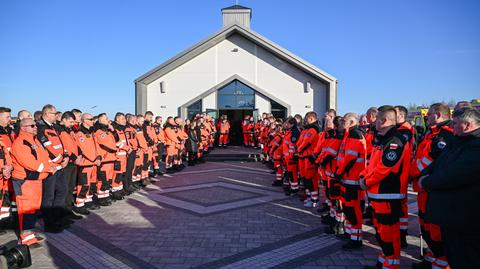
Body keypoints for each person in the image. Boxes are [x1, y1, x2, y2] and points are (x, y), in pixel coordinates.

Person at [419, 108, 480, 269]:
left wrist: (426, 182)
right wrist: (424, 175)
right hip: (451, 216)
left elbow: (454, 175)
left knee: (466, 259)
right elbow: (438, 163)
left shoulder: (476, 145)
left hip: (465, 216)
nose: (451, 126)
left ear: (466, 125)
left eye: (455, 123)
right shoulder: (458, 140)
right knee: (454, 254)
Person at [360, 105, 410, 269]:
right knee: (381, 234)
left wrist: (366, 182)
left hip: (388, 195)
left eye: (376, 119)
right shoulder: (383, 139)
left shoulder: (394, 141)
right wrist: (364, 176)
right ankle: (384, 262)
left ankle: (391, 265)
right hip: (378, 195)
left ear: (384, 120)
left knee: (388, 235)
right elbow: (373, 165)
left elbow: (384, 169)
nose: (373, 122)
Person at [410, 103, 454, 269]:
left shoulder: (447, 135)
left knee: (436, 233)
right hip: (423, 189)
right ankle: (431, 260)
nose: (426, 117)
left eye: (429, 115)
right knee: (426, 229)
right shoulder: (431, 133)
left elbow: (433, 163)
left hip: (433, 190)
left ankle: (441, 264)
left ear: (439, 115)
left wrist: (414, 173)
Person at [10, 118, 56, 245]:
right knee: (26, 210)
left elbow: (43, 157)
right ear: (23, 128)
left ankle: (29, 233)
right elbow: (30, 163)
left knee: (33, 208)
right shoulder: (21, 142)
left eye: (35, 125)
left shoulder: (34, 140)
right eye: (32, 125)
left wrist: (50, 165)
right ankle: (25, 238)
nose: (35, 127)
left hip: (35, 180)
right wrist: (47, 168)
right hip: (25, 181)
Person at [335, 113, 366, 249]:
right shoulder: (350, 134)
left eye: (344, 120)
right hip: (348, 178)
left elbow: (350, 158)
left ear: (352, 121)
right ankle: (349, 233)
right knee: (348, 209)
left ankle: (356, 239)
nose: (342, 122)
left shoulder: (355, 135)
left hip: (352, 179)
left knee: (354, 211)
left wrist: (339, 172)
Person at [37, 104, 69, 233]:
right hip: (51, 167)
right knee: (48, 196)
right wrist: (59, 160)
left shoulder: (54, 128)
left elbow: (61, 144)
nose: (56, 116)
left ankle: (57, 218)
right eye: (54, 113)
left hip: (60, 166)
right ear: (46, 114)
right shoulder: (40, 128)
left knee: (63, 190)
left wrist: (66, 156)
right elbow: (46, 147)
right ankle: (49, 223)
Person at [57, 112, 83, 220]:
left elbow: (75, 145)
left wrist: (80, 154)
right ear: (64, 119)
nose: (72, 124)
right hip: (67, 163)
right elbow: (64, 147)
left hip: (73, 163)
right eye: (71, 122)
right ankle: (62, 212)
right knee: (64, 188)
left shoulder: (69, 131)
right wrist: (74, 157)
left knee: (70, 188)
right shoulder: (60, 130)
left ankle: (68, 210)